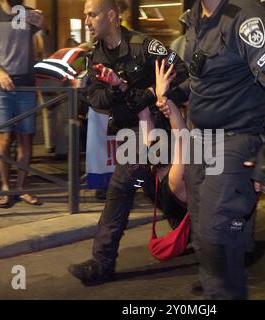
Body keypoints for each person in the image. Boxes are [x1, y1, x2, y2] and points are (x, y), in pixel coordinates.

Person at [160, 0, 265, 299]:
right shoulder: (198, 17)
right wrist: (173, 92)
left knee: (217, 236)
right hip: (201, 141)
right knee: (203, 236)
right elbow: (208, 78)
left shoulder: (245, 14)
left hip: (235, 140)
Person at [68, 0, 188, 286]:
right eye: (85, 16)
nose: (87, 21)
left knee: (122, 186)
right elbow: (94, 98)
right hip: (128, 132)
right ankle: (190, 228)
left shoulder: (144, 45)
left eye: (92, 14)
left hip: (154, 127)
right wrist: (116, 90)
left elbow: (182, 74)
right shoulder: (95, 54)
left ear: (111, 15)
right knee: (151, 186)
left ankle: (102, 263)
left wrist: (147, 95)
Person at [0, 0, 44, 208]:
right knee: (4, 137)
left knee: (26, 137)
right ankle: (6, 187)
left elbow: (40, 45)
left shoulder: (27, 14)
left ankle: (21, 188)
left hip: (25, 85)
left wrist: (41, 25)